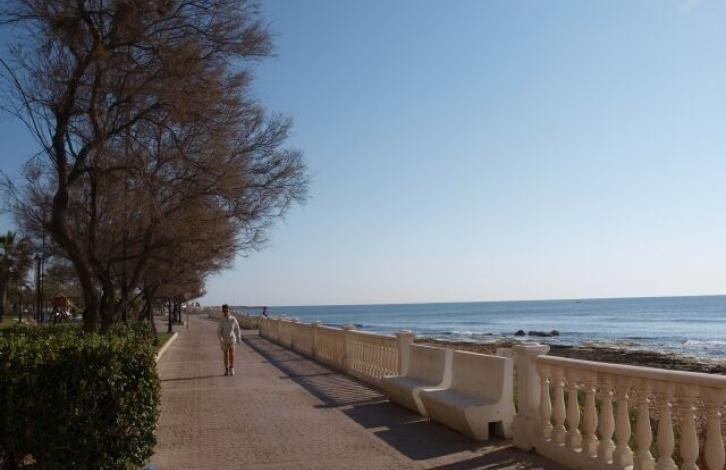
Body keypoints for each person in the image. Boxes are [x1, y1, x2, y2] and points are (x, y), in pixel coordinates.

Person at [217, 304, 242, 376]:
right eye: (224, 311)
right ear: (222, 311)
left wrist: (238, 337)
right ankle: (226, 369)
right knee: (225, 354)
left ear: (229, 310)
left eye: (227, 311)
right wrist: (220, 339)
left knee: (232, 353)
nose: (226, 312)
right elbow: (218, 331)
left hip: (232, 339)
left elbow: (237, 329)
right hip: (224, 340)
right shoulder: (221, 320)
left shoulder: (233, 319)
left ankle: (232, 367)